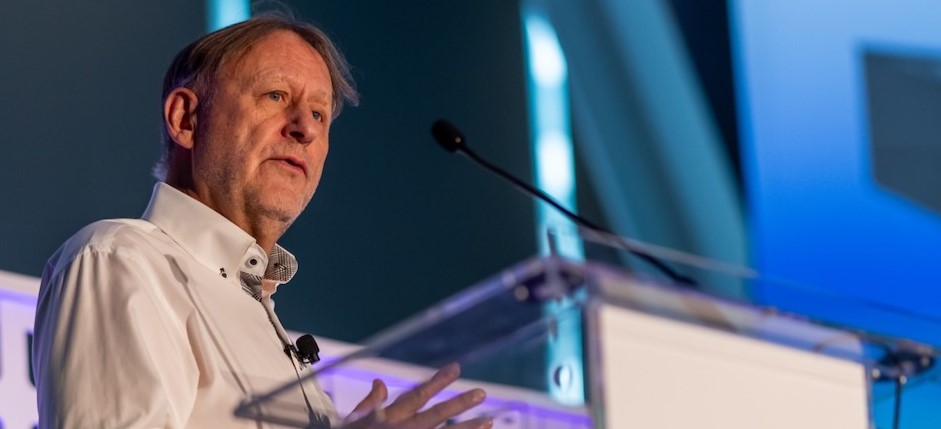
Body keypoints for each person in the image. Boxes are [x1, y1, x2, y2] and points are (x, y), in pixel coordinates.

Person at [32, 14, 491, 429]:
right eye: (275, 96)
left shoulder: (259, 311)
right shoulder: (120, 262)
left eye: (318, 113)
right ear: (186, 118)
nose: (305, 129)